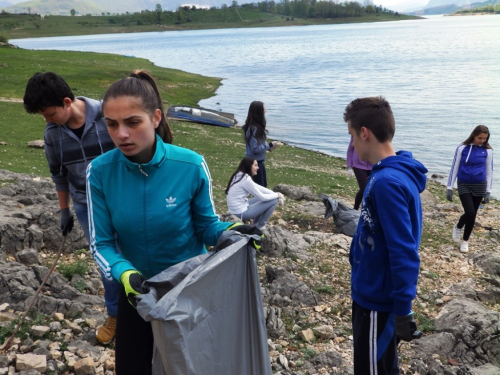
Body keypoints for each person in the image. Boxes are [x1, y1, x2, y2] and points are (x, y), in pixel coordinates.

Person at [86, 70, 260, 374]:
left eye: (132, 122)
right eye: (111, 124)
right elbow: (100, 243)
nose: (121, 134)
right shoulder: (99, 172)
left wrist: (230, 230)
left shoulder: (190, 165)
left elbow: (206, 226)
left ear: (155, 118)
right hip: (135, 292)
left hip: (187, 291)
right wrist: (124, 273)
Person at [23, 71, 121, 345]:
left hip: (123, 201)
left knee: (135, 255)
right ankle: (115, 316)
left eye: (50, 113)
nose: (47, 120)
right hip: (87, 207)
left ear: (67, 102)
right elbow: (58, 174)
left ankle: (145, 314)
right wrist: (64, 210)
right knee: (107, 264)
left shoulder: (108, 113)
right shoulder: (52, 135)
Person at [343, 96, 427, 375]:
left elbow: (404, 250)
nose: (352, 144)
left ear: (364, 133)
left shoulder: (387, 183)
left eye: (352, 136)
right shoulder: (388, 174)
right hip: (370, 292)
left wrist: (403, 309)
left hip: (377, 302)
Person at [446, 125, 493, 253]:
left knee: (473, 215)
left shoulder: (488, 151)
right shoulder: (462, 148)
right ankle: (458, 226)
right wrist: (449, 187)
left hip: (480, 185)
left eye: (484, 138)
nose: (482, 141)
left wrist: (488, 191)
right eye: (480, 138)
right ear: (474, 135)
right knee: (470, 212)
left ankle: (465, 241)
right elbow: (454, 167)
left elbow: (489, 171)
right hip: (464, 183)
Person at [226, 157, 284, 229]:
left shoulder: (239, 174)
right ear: (249, 166)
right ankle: (260, 226)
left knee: (271, 197)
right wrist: (277, 195)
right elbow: (262, 197)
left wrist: (276, 194)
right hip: (240, 213)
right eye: (255, 165)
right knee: (274, 200)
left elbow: (258, 188)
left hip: (235, 210)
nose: (258, 168)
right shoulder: (246, 179)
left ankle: (255, 223)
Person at [242, 101, 282, 187]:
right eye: (264, 109)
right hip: (253, 163)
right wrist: (269, 145)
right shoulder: (253, 128)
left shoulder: (256, 127)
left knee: (262, 186)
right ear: (259, 111)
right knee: (259, 188)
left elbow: (259, 146)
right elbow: (255, 149)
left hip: (259, 161)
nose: (265, 111)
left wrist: (270, 147)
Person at [346, 136, 373, 210]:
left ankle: (369, 209)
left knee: (371, 189)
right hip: (358, 165)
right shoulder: (356, 133)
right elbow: (350, 150)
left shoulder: (375, 132)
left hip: (372, 165)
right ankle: (355, 208)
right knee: (364, 188)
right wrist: (349, 166)